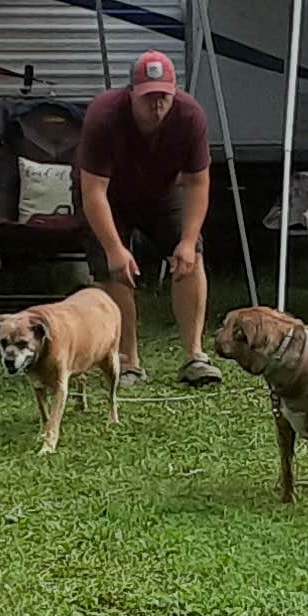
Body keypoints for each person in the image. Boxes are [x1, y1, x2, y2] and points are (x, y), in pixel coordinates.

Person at [75, 50, 221, 387]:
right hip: (108, 197)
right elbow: (93, 192)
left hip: (161, 191)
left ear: (173, 93)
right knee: (115, 269)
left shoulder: (190, 116)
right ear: (132, 93)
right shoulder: (104, 115)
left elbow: (199, 182)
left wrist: (186, 241)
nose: (157, 106)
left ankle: (195, 355)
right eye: (148, 97)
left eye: (163, 97)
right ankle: (129, 361)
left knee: (190, 255)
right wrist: (114, 248)